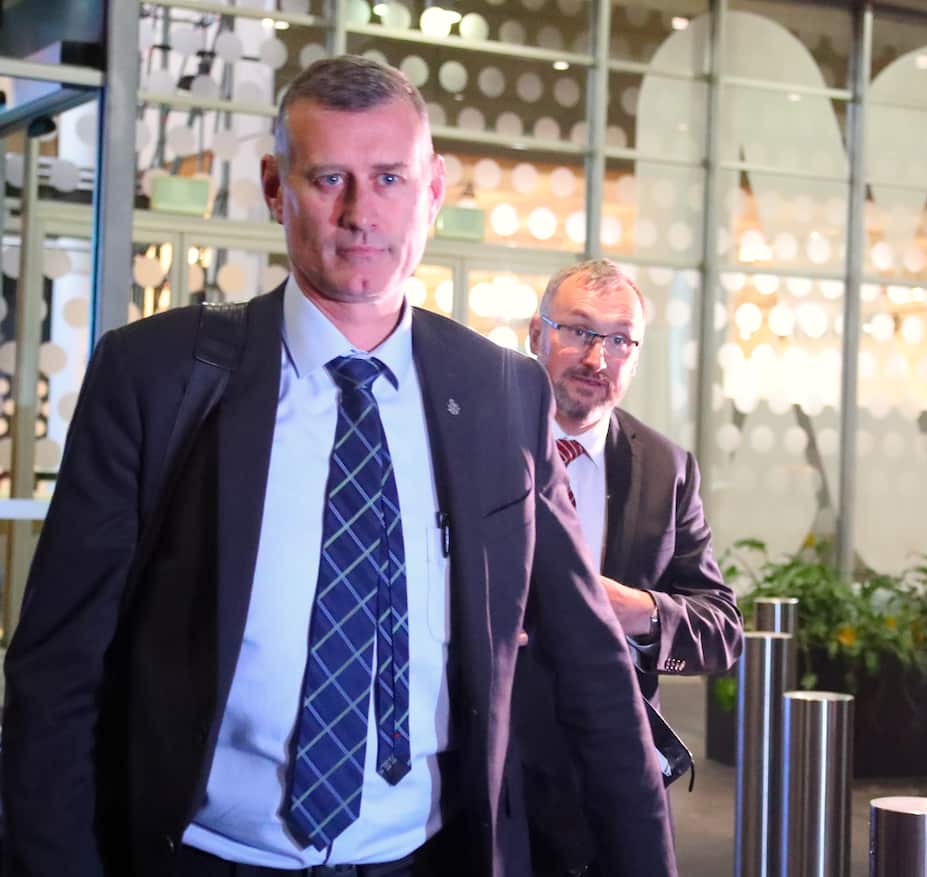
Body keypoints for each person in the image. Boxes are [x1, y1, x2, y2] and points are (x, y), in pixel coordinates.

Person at [2, 57, 675, 877]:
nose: (362, 214)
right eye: (329, 178)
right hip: (204, 856)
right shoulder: (156, 375)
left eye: (390, 177)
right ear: (276, 188)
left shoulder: (502, 394)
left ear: (432, 192)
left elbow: (593, 668)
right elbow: (57, 674)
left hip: (424, 858)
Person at [514, 259, 743, 875]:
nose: (596, 357)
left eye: (619, 340)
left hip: (613, 782)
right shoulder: (476, 442)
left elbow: (721, 634)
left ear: (635, 357)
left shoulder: (667, 470)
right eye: (578, 331)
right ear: (536, 335)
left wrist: (636, 611)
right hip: (490, 779)